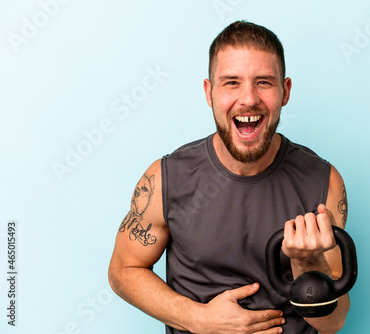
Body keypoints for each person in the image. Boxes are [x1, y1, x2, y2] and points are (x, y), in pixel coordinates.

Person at [109, 20, 351, 334]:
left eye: (263, 82)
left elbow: (333, 322)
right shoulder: (166, 179)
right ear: (210, 92)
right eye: (231, 82)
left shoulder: (323, 183)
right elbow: (123, 270)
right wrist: (197, 318)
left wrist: (308, 266)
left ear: (285, 91)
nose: (248, 98)